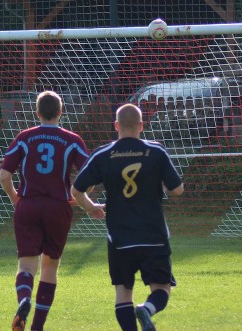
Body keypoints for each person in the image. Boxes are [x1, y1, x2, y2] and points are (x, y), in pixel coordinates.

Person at [71, 103, 184, 331]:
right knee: (161, 288)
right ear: (142, 125)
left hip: (119, 237)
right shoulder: (156, 152)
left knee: (123, 292)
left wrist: (91, 207)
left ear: (116, 125)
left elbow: (76, 190)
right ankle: (147, 309)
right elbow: (177, 190)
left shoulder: (104, 154)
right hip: (153, 236)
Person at [0, 91, 89, 331]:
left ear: (37, 113)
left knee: (26, 266)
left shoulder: (25, 137)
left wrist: (15, 198)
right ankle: (37, 327)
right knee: (50, 267)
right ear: (61, 112)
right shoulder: (72, 140)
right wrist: (78, 195)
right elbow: (89, 176)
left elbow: (4, 175)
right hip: (58, 207)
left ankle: (24, 299)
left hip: (28, 205)